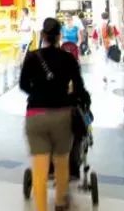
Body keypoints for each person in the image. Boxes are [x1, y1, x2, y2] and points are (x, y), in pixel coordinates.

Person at [20, 18, 87, 211]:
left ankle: (41, 208)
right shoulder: (68, 59)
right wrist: (68, 96)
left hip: (36, 115)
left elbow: (23, 85)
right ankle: (59, 203)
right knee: (61, 162)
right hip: (62, 115)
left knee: (40, 168)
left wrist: (37, 93)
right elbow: (79, 88)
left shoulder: (32, 57)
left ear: (43, 35)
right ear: (59, 36)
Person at [92, 12, 121, 84]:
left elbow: (94, 38)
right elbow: (117, 35)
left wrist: (96, 46)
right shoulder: (112, 24)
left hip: (102, 46)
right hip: (111, 45)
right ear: (108, 17)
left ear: (101, 17)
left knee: (104, 62)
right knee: (112, 61)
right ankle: (112, 78)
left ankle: (105, 76)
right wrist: (122, 42)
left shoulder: (98, 25)